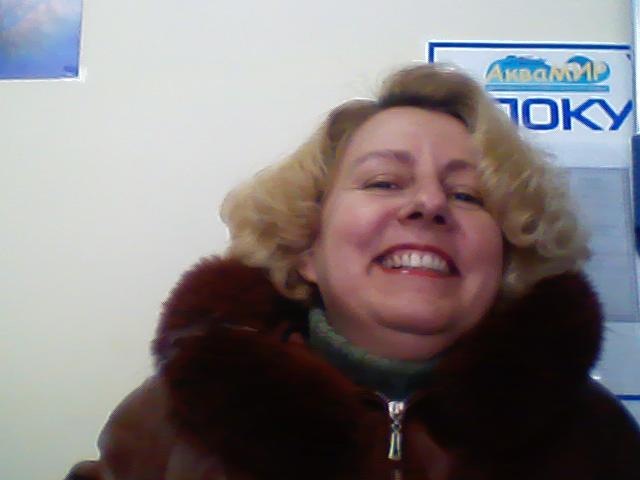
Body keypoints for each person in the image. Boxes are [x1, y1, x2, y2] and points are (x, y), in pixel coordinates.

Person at [66, 64, 640, 480]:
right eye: (384, 181)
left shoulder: (596, 438)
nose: (429, 204)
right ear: (306, 246)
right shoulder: (168, 424)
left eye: (467, 194)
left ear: (509, 258)